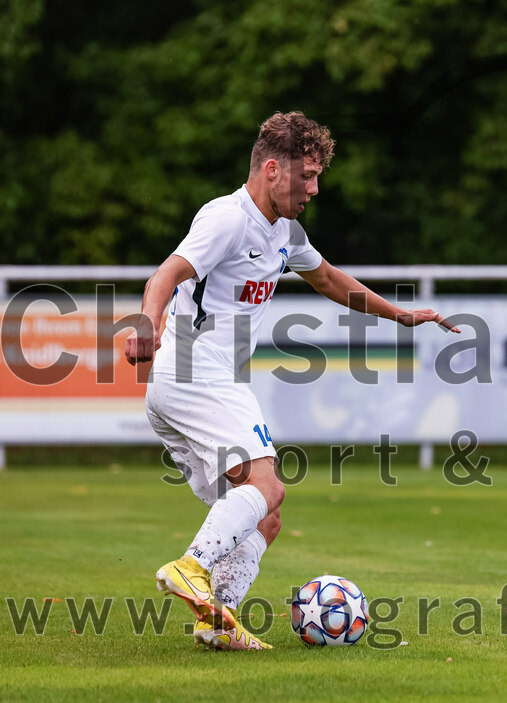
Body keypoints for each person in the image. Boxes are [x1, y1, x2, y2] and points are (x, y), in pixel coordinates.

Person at [124, 111, 459, 650]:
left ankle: (217, 621)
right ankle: (190, 566)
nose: (315, 188)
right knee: (267, 485)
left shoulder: (284, 232)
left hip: (187, 383)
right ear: (273, 169)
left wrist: (401, 316)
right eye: (308, 176)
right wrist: (147, 321)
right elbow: (167, 273)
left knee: (265, 517)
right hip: (194, 369)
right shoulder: (227, 219)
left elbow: (326, 277)